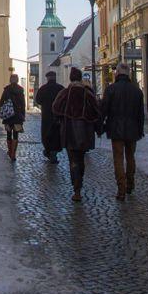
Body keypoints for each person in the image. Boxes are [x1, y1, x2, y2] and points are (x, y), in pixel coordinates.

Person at [52, 67, 101, 201]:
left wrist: (62, 118)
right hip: (85, 131)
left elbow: (55, 108)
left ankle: (76, 187)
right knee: (81, 158)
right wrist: (97, 127)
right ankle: (79, 184)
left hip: (69, 131)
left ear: (70, 78)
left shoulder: (65, 93)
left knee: (73, 159)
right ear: (80, 78)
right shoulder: (87, 93)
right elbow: (96, 111)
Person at [100, 61, 145, 200]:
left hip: (116, 129)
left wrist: (100, 126)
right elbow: (140, 114)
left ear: (117, 73)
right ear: (129, 74)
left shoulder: (111, 89)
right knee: (130, 157)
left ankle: (121, 189)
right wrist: (140, 129)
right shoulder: (137, 91)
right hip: (133, 130)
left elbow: (103, 110)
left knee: (118, 159)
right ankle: (130, 184)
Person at [34, 71, 63, 163]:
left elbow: (38, 100)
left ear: (47, 78)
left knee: (46, 134)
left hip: (46, 116)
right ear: (55, 77)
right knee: (56, 134)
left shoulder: (43, 89)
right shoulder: (60, 88)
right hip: (58, 115)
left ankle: (48, 151)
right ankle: (53, 153)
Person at [0, 73, 26, 161]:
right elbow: (23, 104)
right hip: (17, 116)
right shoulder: (20, 90)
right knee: (16, 134)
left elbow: (1, 101)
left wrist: (4, 110)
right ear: (17, 80)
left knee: (8, 133)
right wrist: (23, 115)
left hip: (8, 116)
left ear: (10, 80)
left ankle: (10, 151)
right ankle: (13, 154)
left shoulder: (6, 89)